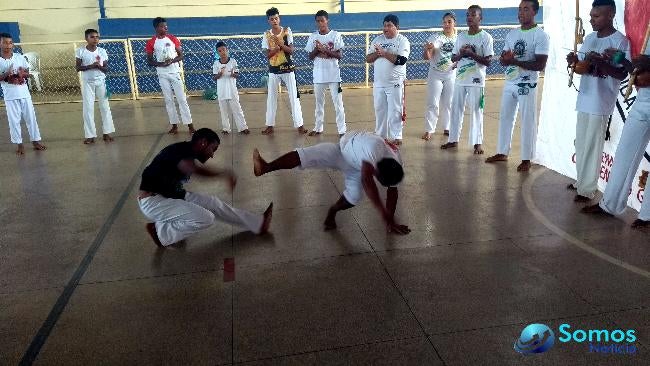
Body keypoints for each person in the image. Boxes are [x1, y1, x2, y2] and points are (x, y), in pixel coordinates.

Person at [252, 130, 410, 234]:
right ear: (376, 169)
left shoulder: (396, 165)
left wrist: (390, 220)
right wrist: (383, 213)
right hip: (344, 149)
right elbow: (367, 180)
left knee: (354, 197)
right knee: (309, 155)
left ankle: (332, 211)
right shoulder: (373, 148)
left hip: (357, 167)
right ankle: (266, 167)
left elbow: (392, 191)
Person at [138, 128, 273, 247]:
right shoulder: (181, 151)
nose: (212, 154)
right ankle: (160, 232)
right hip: (154, 202)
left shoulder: (184, 150)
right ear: (203, 142)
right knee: (205, 218)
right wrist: (223, 174)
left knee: (212, 203)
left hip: (172, 195)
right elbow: (192, 168)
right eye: (212, 149)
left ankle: (258, 224)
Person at [565, 0, 629, 202]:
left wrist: (599, 62)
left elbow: (620, 74)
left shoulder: (620, 41)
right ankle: (580, 180)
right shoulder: (590, 38)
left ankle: (587, 189)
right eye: (591, 16)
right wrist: (574, 62)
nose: (591, 20)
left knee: (593, 146)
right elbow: (583, 65)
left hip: (601, 101)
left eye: (596, 16)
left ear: (610, 15)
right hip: (584, 97)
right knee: (582, 143)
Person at [582, 39, 650, 229]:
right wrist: (623, 60)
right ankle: (609, 205)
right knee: (624, 155)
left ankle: (647, 216)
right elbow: (639, 71)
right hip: (643, 102)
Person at [485, 0, 549, 171]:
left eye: (526, 9)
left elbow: (540, 65)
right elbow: (503, 58)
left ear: (535, 12)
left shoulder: (540, 35)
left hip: (527, 83)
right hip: (510, 82)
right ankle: (502, 152)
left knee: (527, 120)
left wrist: (514, 60)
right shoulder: (512, 34)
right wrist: (505, 60)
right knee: (505, 117)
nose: (521, 13)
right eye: (520, 9)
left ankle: (527, 158)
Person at [440, 5, 494, 155]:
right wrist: (462, 54)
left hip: (476, 80)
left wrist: (471, 54)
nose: (469, 17)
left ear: (480, 18)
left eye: (473, 15)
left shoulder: (486, 37)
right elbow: (453, 57)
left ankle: (477, 143)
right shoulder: (461, 36)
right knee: (456, 109)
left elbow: (488, 61)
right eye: (467, 15)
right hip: (460, 79)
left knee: (477, 110)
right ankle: (453, 139)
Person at [145, 17, 195, 135]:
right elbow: (150, 61)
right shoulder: (151, 42)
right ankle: (174, 126)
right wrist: (161, 64)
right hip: (162, 74)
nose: (165, 28)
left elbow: (181, 55)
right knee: (168, 100)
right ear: (156, 28)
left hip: (175, 72)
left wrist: (171, 61)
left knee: (182, 99)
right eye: (162, 26)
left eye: (166, 26)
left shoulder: (172, 38)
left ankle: (190, 125)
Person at [366, 14, 410, 145]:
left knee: (395, 110)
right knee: (379, 109)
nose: (386, 28)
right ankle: (381, 135)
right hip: (379, 83)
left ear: (397, 27)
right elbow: (368, 59)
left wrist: (384, 53)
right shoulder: (376, 40)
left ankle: (397, 135)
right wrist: (377, 53)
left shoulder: (402, 41)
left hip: (395, 83)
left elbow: (401, 60)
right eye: (384, 25)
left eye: (389, 25)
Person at [261, 7, 306, 135]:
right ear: (268, 21)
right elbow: (267, 55)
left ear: (279, 18)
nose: (274, 21)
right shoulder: (266, 34)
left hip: (288, 68)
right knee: (271, 98)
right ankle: (270, 125)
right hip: (274, 70)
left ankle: (300, 125)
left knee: (294, 97)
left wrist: (280, 44)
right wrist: (275, 49)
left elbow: (291, 50)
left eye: (276, 18)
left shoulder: (287, 31)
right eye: (271, 19)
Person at [0, 32, 46, 155]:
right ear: (0, 44)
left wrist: (22, 75)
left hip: (24, 93)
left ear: (13, 44)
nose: (8, 45)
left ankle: (36, 141)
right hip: (10, 95)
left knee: (31, 118)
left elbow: (28, 73)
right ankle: (19, 145)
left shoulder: (19, 57)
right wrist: (7, 75)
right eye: (5, 42)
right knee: (13, 121)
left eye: (10, 43)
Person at [305, 10, 347, 137]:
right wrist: (317, 51)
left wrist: (325, 50)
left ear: (327, 20)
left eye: (322, 20)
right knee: (318, 103)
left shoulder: (335, 35)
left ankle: (342, 130)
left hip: (334, 75)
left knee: (338, 103)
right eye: (318, 21)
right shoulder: (313, 36)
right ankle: (318, 128)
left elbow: (339, 55)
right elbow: (310, 56)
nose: (320, 23)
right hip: (318, 75)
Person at [75, 28, 116, 144]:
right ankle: (90, 135)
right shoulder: (80, 51)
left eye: (97, 37)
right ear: (86, 39)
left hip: (101, 81)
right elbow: (78, 68)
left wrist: (99, 67)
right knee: (88, 108)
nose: (95, 39)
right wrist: (91, 66)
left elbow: (106, 69)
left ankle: (107, 133)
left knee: (105, 107)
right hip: (87, 82)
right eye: (92, 37)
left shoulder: (102, 51)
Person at [422, 12, 458, 141]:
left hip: (451, 75)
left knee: (449, 103)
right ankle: (429, 130)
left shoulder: (459, 39)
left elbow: (462, 56)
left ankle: (447, 127)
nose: (446, 24)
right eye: (444, 22)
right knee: (433, 103)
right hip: (435, 74)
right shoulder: (435, 37)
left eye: (449, 22)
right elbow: (427, 57)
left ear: (454, 23)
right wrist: (427, 49)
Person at [212, 41, 250, 135]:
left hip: (232, 89)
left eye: (224, 50)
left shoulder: (233, 61)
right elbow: (214, 77)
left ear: (227, 50)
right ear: (217, 53)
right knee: (223, 110)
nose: (222, 52)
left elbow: (237, 75)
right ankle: (226, 128)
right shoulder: (216, 63)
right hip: (221, 90)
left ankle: (243, 127)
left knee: (237, 108)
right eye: (220, 51)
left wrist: (233, 74)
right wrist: (219, 74)